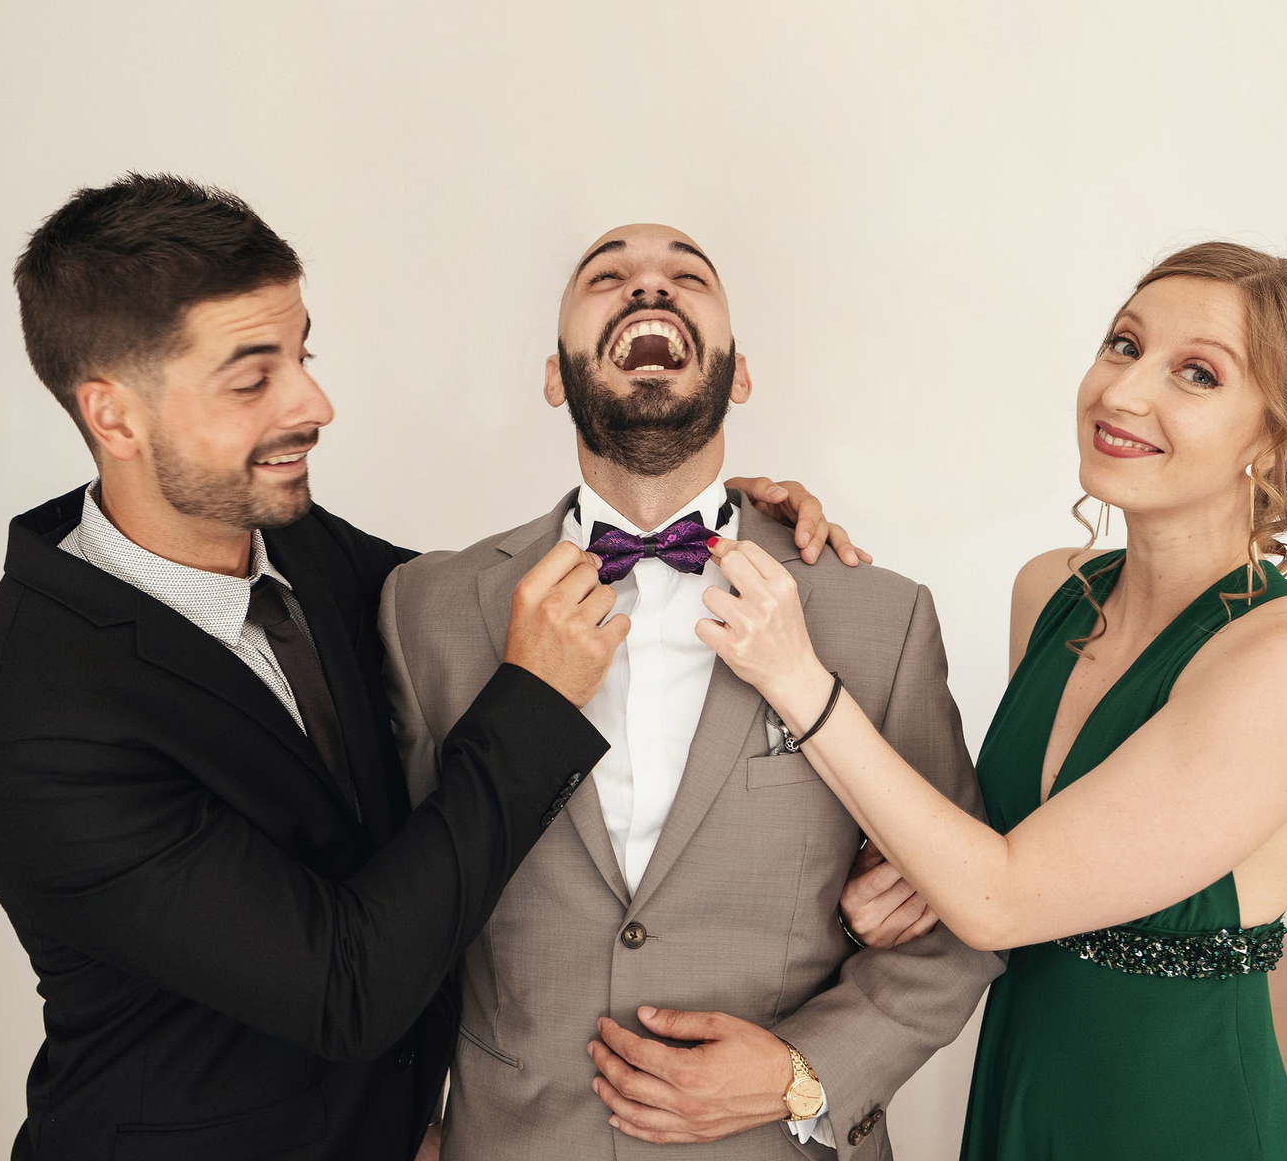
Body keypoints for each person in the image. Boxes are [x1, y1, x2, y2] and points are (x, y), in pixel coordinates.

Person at [0, 177, 853, 1161]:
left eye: (302, 356)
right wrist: (535, 701)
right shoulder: (36, 731)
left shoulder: (296, 545)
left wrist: (699, 505)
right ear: (114, 417)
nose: (315, 405)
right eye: (252, 381)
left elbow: (472, 601)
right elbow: (348, 989)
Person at [697, 242, 1287, 1161]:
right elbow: (998, 859)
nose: (1123, 392)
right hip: (1020, 1098)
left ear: (1283, 437)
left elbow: (1002, 898)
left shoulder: (1286, 662)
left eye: (1198, 374)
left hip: (1182, 1125)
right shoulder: (1050, 591)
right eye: (1124, 345)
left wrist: (795, 677)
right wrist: (757, 529)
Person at [380, 224, 1004, 1160]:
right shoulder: (425, 606)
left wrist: (803, 1073)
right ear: (554, 378)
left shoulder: (882, 615)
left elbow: (962, 916)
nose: (648, 287)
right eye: (608, 276)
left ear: (737, 374)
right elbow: (397, 902)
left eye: (686, 275)